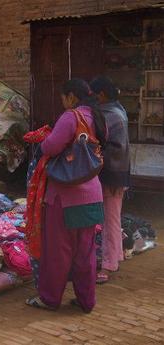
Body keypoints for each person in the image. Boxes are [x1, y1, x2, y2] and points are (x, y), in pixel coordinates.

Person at [26, 79, 107, 313]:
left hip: (64, 197)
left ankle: (50, 299)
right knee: (86, 253)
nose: (63, 103)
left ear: (71, 96)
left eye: (63, 98)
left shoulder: (71, 116)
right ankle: (86, 301)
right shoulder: (98, 117)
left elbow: (51, 147)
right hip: (92, 194)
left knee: (58, 251)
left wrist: (42, 140)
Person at [90, 76, 130, 284]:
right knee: (112, 219)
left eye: (95, 95)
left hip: (113, 174)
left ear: (102, 94)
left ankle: (107, 265)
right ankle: (115, 257)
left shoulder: (110, 114)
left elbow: (113, 147)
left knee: (110, 220)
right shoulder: (118, 110)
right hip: (118, 173)